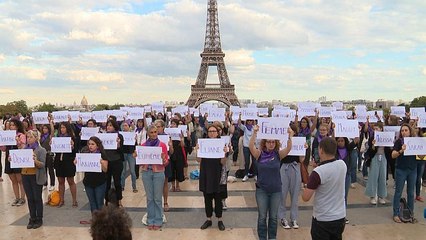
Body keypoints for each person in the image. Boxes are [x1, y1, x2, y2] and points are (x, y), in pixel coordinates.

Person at [249, 124, 293, 240]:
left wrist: (290, 136)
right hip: (262, 190)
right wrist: (254, 133)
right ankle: (262, 237)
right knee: (262, 216)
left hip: (276, 190)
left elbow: (288, 149)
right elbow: (251, 147)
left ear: (276, 143)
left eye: (273, 142)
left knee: (273, 217)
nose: (271, 144)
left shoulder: (278, 154)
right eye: (268, 142)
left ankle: (272, 237)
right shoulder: (259, 154)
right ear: (264, 143)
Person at [302, 137, 347, 240]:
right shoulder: (342, 165)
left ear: (321, 150)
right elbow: (330, 169)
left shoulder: (318, 172)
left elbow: (306, 197)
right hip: (339, 217)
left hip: (322, 219)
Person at [136, 125, 169, 230]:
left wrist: (164, 159)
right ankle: (150, 219)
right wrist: (136, 156)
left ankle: (158, 219)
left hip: (158, 173)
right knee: (150, 198)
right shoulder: (143, 145)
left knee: (157, 198)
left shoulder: (162, 145)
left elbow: (166, 162)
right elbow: (140, 163)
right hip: (146, 173)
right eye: (152, 132)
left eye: (155, 132)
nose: (154, 134)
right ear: (148, 134)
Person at [196, 124, 228, 231]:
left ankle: (220, 219)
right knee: (207, 197)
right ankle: (208, 219)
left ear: (218, 132)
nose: (212, 133)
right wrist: (197, 150)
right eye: (210, 131)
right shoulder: (203, 143)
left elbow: (223, 162)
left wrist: (224, 153)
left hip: (218, 173)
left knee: (218, 198)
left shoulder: (221, 144)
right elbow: (198, 160)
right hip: (206, 173)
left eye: (214, 131)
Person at [392, 123, 417, 223]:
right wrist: (401, 151)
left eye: (406, 130)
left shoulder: (415, 141)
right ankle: (396, 213)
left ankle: (410, 214)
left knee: (411, 193)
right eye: (402, 131)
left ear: (410, 131)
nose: (404, 132)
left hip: (412, 169)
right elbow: (393, 155)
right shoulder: (399, 142)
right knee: (398, 191)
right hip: (401, 169)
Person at [21, 130, 46, 229]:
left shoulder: (41, 150)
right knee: (30, 198)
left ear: (36, 138)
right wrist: (13, 159)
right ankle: (32, 217)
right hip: (25, 175)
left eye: (31, 137)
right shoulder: (24, 149)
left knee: (37, 198)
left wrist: (35, 161)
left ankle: (39, 218)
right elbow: (19, 162)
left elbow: (43, 164)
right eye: (27, 137)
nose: (28, 139)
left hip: (35, 175)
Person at [79, 136, 108, 214]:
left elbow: (105, 170)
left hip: (100, 182)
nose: (90, 146)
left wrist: (102, 163)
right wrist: (76, 161)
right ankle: (95, 220)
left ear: (97, 145)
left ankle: (102, 220)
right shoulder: (85, 154)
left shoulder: (102, 155)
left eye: (92, 144)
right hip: (88, 182)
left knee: (99, 203)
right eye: (89, 144)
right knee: (92, 203)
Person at [3, 119, 27, 206]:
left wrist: (18, 141)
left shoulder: (21, 135)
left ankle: (22, 198)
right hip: (9, 158)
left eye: (13, 125)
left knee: (20, 179)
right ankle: (17, 197)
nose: (11, 127)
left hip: (18, 158)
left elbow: (23, 147)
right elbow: (3, 149)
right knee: (13, 180)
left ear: (17, 126)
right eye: (10, 125)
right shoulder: (7, 136)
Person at [54, 122, 77, 207]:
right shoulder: (57, 138)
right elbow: (55, 150)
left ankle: (74, 200)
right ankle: (61, 200)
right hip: (59, 161)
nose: (62, 129)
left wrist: (73, 146)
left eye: (64, 127)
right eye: (61, 128)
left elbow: (76, 151)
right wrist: (52, 145)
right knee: (60, 181)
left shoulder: (72, 138)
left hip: (69, 161)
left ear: (67, 128)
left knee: (71, 181)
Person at [365, 122, 388, 205]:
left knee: (382, 176)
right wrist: (373, 146)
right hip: (375, 157)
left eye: (377, 128)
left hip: (383, 157)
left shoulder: (386, 137)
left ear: (381, 129)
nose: (375, 130)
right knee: (373, 176)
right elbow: (370, 151)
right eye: (374, 129)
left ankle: (381, 196)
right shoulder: (372, 138)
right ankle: (372, 196)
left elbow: (389, 149)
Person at [104, 119, 124, 207]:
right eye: (108, 125)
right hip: (106, 162)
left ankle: (119, 200)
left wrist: (119, 144)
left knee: (117, 182)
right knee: (106, 182)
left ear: (115, 127)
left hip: (116, 161)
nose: (108, 127)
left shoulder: (119, 136)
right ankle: (107, 200)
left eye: (111, 125)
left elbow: (122, 150)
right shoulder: (103, 136)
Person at [120, 120, 137, 193]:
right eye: (123, 125)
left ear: (129, 127)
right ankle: (122, 186)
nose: (124, 127)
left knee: (132, 171)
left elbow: (135, 144)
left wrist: (135, 151)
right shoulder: (120, 135)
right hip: (123, 153)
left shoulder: (132, 134)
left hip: (131, 154)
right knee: (123, 172)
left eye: (126, 125)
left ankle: (134, 187)